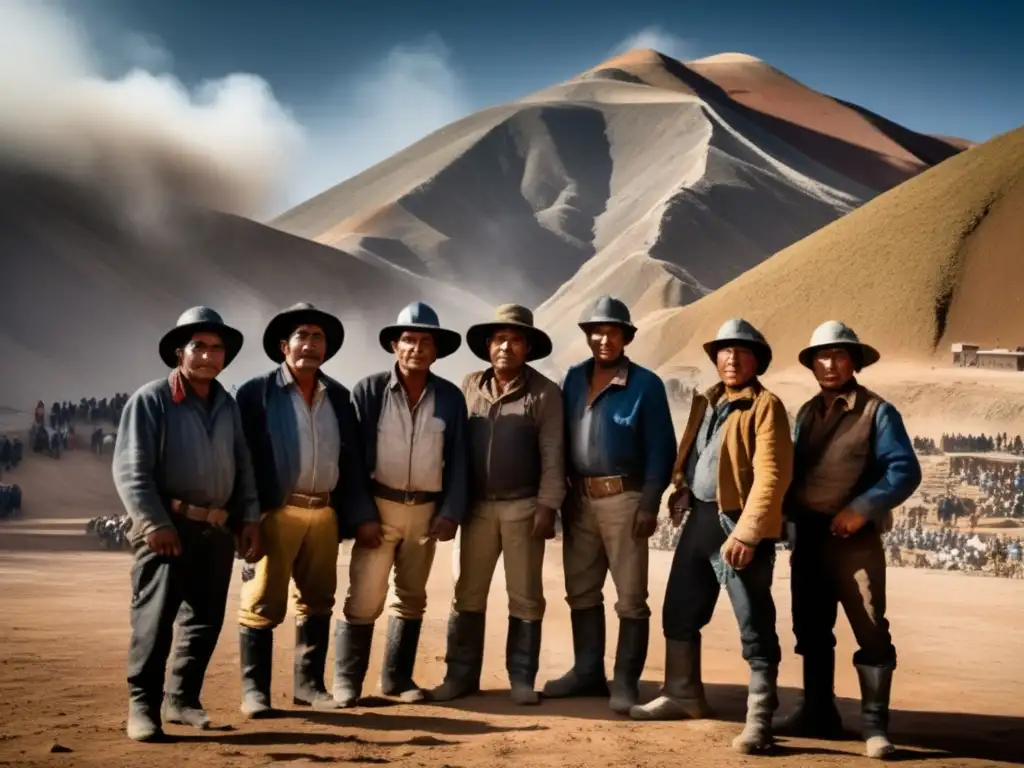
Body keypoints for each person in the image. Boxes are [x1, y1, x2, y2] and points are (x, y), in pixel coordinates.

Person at [629, 319, 794, 755]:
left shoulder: (766, 406)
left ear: (757, 360)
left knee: (753, 619)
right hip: (700, 521)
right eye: (724, 351)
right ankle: (683, 695)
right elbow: (696, 455)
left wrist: (749, 531)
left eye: (741, 352)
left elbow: (771, 475)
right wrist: (681, 487)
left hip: (735, 525)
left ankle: (760, 720)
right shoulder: (708, 401)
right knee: (679, 609)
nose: (731, 358)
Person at [112, 307, 262, 742]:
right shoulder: (152, 398)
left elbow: (243, 465)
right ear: (180, 352)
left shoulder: (226, 404)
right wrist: (153, 522)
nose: (209, 355)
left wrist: (248, 516)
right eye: (199, 346)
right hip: (167, 527)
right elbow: (131, 469)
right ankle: (143, 708)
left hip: (215, 529)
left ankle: (183, 700)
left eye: (218, 348)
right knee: (154, 621)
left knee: (204, 618)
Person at [775, 321, 921, 760]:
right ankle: (818, 712)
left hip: (855, 541)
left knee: (870, 626)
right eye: (821, 356)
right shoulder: (806, 412)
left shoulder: (878, 412)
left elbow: (904, 470)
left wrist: (862, 508)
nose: (829, 363)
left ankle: (875, 726)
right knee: (812, 628)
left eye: (839, 355)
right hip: (810, 537)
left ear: (854, 362)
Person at [234, 303, 376, 717]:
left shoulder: (339, 397)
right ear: (284, 346)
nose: (310, 345)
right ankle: (255, 692)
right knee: (260, 601)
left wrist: (359, 513)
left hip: (324, 513)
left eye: (318, 338)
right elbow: (242, 459)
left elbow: (350, 466)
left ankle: (309, 686)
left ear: (326, 349)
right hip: (275, 512)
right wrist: (249, 514)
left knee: (317, 600)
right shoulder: (257, 394)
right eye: (302, 336)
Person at [328, 302, 469, 706]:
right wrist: (361, 515)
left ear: (436, 350)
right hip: (378, 508)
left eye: (426, 342)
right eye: (409, 340)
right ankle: (347, 682)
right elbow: (351, 460)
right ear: (394, 344)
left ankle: (397, 678)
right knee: (364, 595)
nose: (417, 348)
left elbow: (459, 460)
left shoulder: (449, 398)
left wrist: (450, 513)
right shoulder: (369, 392)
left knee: (411, 595)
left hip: (425, 513)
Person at [543, 295, 676, 714]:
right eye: (595, 331)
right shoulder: (573, 379)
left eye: (612, 332)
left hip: (625, 499)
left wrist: (650, 503)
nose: (603, 339)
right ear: (587, 336)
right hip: (579, 500)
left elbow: (662, 449)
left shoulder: (645, 385)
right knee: (580, 590)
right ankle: (587, 672)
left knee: (630, 596)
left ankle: (625, 682)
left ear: (626, 337)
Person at [430, 304, 565, 705]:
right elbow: (451, 451)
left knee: (525, 595)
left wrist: (548, 506)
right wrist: (450, 507)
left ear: (527, 347)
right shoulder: (468, 386)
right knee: (466, 593)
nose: (506, 346)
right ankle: (460, 676)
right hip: (475, 510)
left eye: (515, 340)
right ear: (488, 345)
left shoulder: (544, 392)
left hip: (524, 507)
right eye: (499, 339)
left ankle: (521, 679)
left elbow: (553, 452)